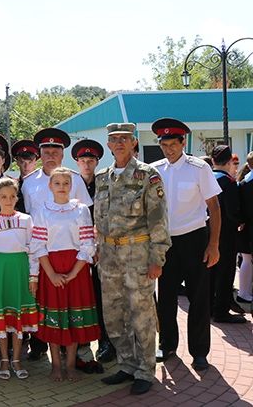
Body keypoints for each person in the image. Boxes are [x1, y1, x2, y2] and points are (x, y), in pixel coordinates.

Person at [95, 123, 170, 395]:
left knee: (142, 315)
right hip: (109, 256)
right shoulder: (103, 177)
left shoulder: (147, 175)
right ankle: (126, 364)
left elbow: (158, 219)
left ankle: (146, 370)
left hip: (137, 255)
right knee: (114, 314)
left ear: (134, 142)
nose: (119, 144)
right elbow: (99, 219)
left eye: (124, 139)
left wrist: (157, 257)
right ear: (108, 144)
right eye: (114, 139)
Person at [150, 118, 221, 372]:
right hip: (165, 243)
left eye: (173, 144)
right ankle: (167, 345)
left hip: (194, 239)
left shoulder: (199, 167)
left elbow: (214, 207)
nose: (168, 149)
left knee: (199, 298)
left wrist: (213, 244)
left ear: (183, 142)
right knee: (166, 298)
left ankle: (199, 352)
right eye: (164, 144)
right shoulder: (154, 170)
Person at [31, 167, 101, 382]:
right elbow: (38, 244)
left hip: (77, 269)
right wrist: (51, 274)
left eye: (66, 183)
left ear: (72, 186)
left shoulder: (81, 210)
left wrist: (73, 273)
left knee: (72, 318)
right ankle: (56, 366)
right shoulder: (42, 210)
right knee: (56, 319)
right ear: (50, 186)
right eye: (57, 183)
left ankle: (71, 366)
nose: (62, 187)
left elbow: (87, 243)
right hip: (50, 267)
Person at [0, 177, 38, 381]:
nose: (8, 200)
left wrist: (34, 276)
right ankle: (4, 358)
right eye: (3, 196)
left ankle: (17, 359)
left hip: (21, 270)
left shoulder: (26, 219)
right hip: (1, 270)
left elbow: (32, 249)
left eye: (12, 196)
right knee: (2, 317)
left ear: (17, 198)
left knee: (18, 317)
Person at [71, 138, 112, 370]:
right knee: (81, 297)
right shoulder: (69, 183)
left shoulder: (105, 184)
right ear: (77, 162)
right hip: (75, 250)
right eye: (83, 160)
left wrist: (97, 246)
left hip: (100, 250)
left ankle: (106, 341)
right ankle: (82, 343)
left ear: (97, 162)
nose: (87, 164)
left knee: (101, 295)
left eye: (91, 160)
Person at [210, 144, 246, 323]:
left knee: (210, 272)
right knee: (225, 273)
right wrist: (242, 221)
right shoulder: (229, 183)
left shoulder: (209, 178)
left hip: (208, 232)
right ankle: (221, 311)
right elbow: (233, 212)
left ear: (213, 160)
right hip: (226, 235)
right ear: (230, 160)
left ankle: (209, 307)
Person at [21, 128, 92, 219]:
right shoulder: (29, 182)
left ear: (62, 155)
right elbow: (26, 214)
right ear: (40, 156)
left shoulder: (76, 179)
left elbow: (85, 213)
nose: (51, 157)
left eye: (55, 153)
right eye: (46, 153)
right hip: (39, 232)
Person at [237, 152, 253, 305]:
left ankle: (244, 292)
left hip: (245, 227)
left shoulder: (243, 183)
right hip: (248, 227)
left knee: (246, 260)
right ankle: (245, 292)